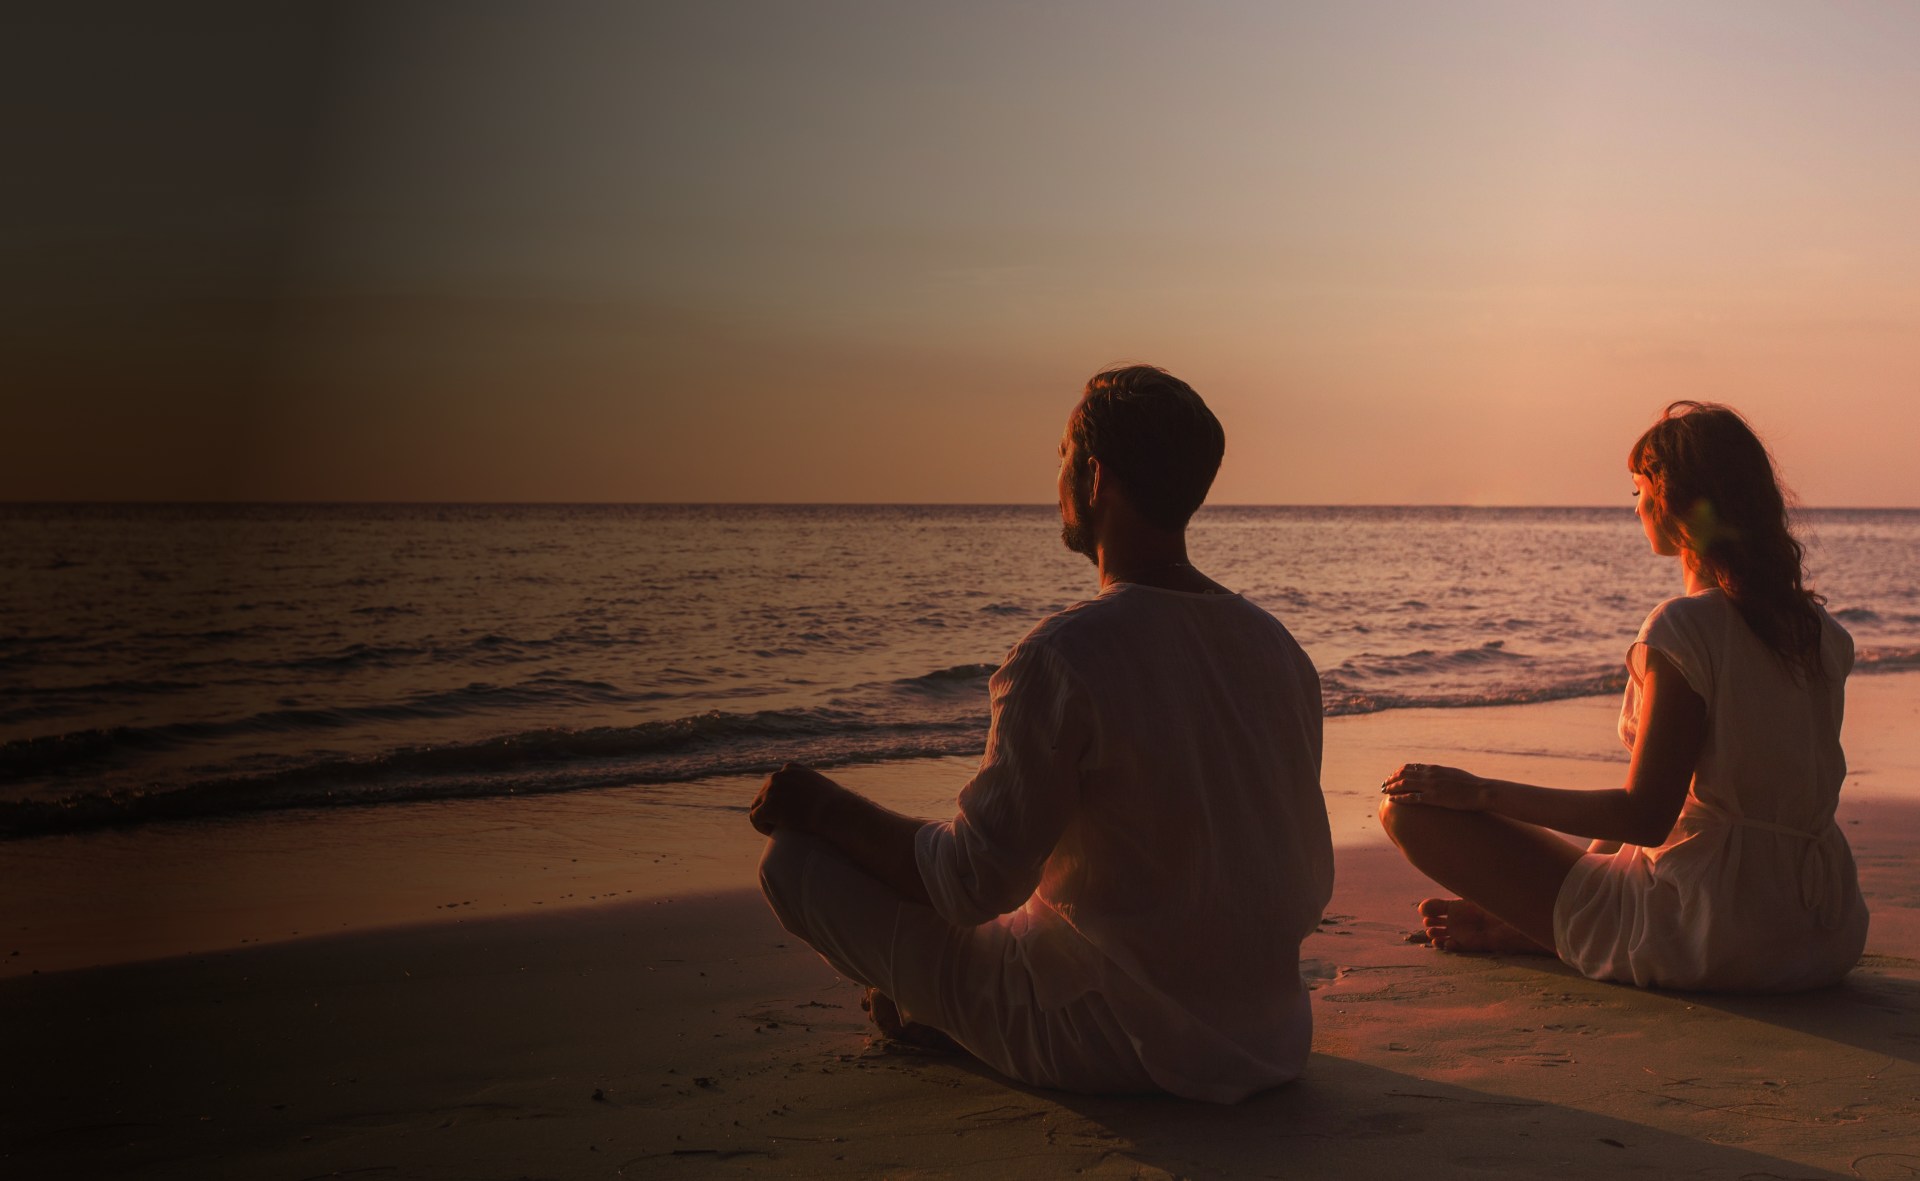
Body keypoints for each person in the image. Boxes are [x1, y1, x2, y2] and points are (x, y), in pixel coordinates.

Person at [749, 365, 1333, 1102]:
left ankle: (942, 1011)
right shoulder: (1279, 650)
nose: (1054, 471)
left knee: (793, 861)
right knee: (1046, 893)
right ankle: (937, 1007)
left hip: (1112, 1041)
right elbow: (1300, 884)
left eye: (1061, 453)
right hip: (1268, 1035)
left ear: (1094, 478)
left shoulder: (1063, 655)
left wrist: (824, 806)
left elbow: (972, 883)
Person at [1379, 401, 1868, 992]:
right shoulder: (1820, 633)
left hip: (1713, 932)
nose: (1634, 506)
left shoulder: (1684, 628)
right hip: (1821, 929)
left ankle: (1544, 930)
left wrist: (1479, 792)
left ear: (1672, 500)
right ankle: (1551, 924)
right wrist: (1581, 880)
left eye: (1638, 488)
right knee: (1593, 877)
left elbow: (1645, 816)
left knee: (1409, 810)